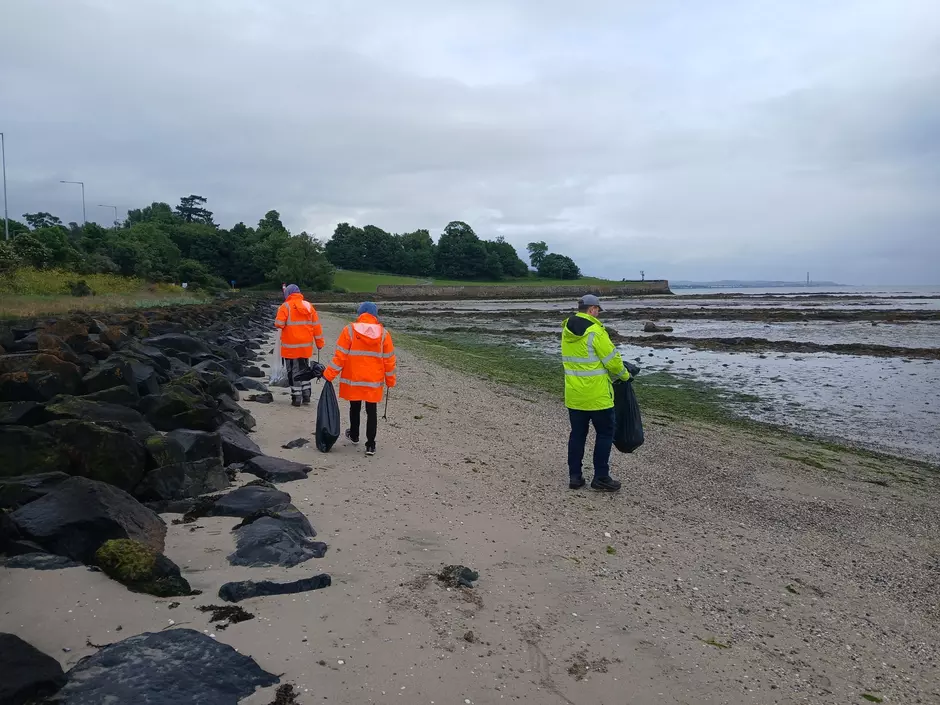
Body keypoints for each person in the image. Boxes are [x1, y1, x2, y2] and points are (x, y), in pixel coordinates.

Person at [561, 294, 632, 492]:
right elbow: (613, 361)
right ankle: (601, 477)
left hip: (574, 395)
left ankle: (575, 477)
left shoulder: (566, 330)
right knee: (604, 434)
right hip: (598, 396)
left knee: (577, 435)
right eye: (598, 310)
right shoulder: (595, 331)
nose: (599, 314)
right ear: (592, 309)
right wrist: (625, 376)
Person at [322, 302, 396, 457]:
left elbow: (340, 356)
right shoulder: (384, 334)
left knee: (354, 407)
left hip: (353, 378)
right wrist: (390, 380)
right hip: (373, 380)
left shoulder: (349, 330)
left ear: (360, 313)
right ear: (375, 315)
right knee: (371, 411)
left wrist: (329, 374)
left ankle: (354, 434)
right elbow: (389, 360)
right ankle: (370, 445)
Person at [274, 284, 325, 406]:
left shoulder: (285, 306)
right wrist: (319, 343)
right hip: (305, 347)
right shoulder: (308, 306)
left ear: (288, 294)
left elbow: (278, 324)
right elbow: (316, 326)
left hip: (290, 347)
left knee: (293, 372)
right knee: (304, 370)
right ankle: (306, 395)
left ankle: (296, 398)